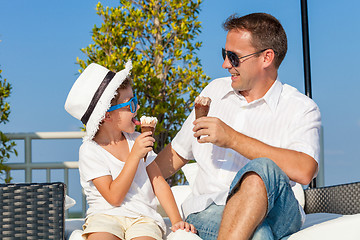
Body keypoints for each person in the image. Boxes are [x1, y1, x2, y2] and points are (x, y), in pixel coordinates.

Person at [155, 12, 321, 240]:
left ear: (266, 58)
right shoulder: (214, 92)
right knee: (258, 234)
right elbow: (175, 155)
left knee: (263, 168)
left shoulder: (300, 108)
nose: (225, 64)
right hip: (208, 210)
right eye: (225, 54)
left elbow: (305, 170)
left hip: (278, 211)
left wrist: (232, 139)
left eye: (234, 57)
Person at [64, 61, 196, 240]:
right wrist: (134, 156)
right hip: (104, 216)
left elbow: (158, 182)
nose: (137, 108)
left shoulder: (136, 141)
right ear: (107, 115)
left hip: (143, 218)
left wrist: (177, 221)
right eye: (131, 104)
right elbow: (113, 197)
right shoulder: (90, 151)